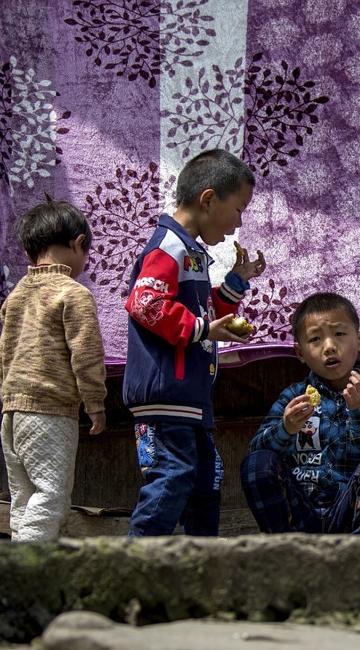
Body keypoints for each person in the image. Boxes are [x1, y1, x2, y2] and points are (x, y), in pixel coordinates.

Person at [123, 149, 266, 537]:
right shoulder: (168, 246)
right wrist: (205, 330)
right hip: (166, 395)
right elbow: (145, 304)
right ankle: (131, 570)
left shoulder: (191, 252)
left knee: (204, 486)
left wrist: (236, 282)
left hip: (189, 399)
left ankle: (201, 576)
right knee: (171, 479)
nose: (238, 224)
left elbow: (201, 311)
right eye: (238, 209)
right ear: (208, 199)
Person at [240, 293, 360, 534]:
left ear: (359, 340)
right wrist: (286, 430)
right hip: (300, 513)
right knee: (256, 464)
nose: (329, 347)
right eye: (315, 339)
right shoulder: (293, 397)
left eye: (339, 334)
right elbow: (257, 452)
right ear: (300, 353)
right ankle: (285, 553)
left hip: (348, 512)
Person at [0, 198, 107, 542]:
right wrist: (95, 403)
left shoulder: (15, 296)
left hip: (12, 414)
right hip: (50, 413)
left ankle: (18, 574)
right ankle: (30, 572)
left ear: (31, 255)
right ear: (78, 243)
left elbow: (4, 356)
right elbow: (86, 354)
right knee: (51, 497)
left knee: (24, 501)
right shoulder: (73, 294)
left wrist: (9, 399)